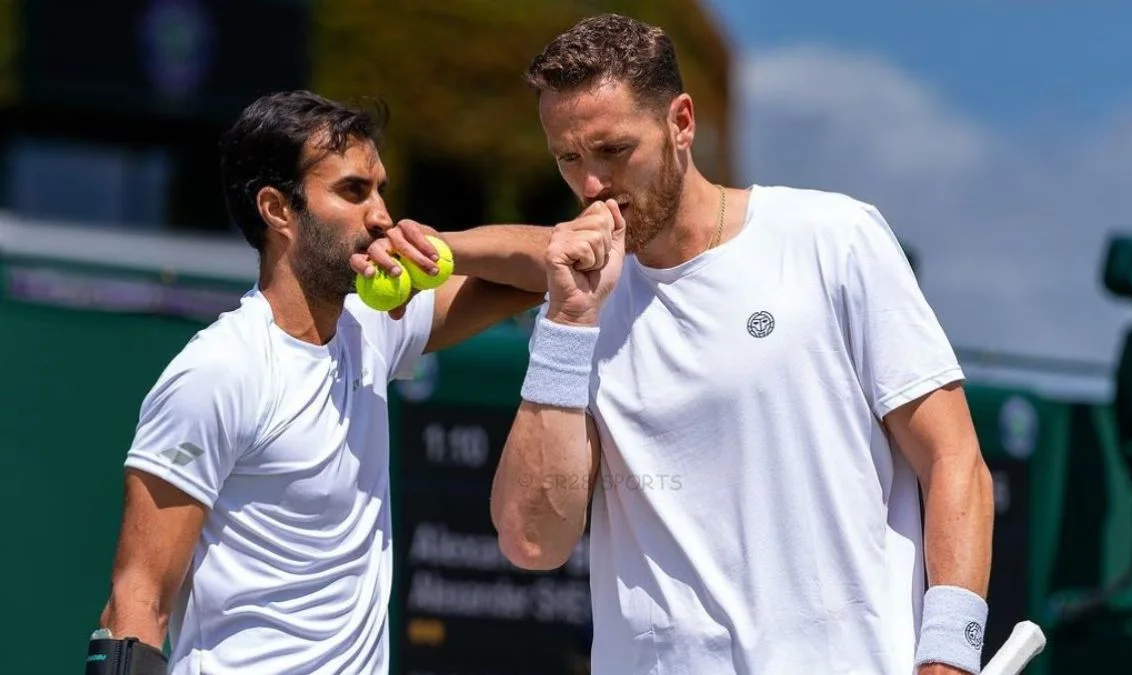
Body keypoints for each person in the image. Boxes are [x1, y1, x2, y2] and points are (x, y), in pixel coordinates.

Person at [490, 13, 995, 675]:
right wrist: (567, 322)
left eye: (613, 150)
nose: (591, 185)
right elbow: (533, 538)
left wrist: (949, 657)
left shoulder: (832, 237)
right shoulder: (576, 312)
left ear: (681, 122)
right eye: (569, 158)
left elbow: (956, 460)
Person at [96, 90, 556, 674]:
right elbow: (137, 599)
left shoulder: (375, 327)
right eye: (353, 191)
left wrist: (444, 249)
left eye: (381, 189)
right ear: (277, 210)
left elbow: (553, 264)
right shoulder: (218, 370)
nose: (382, 215)